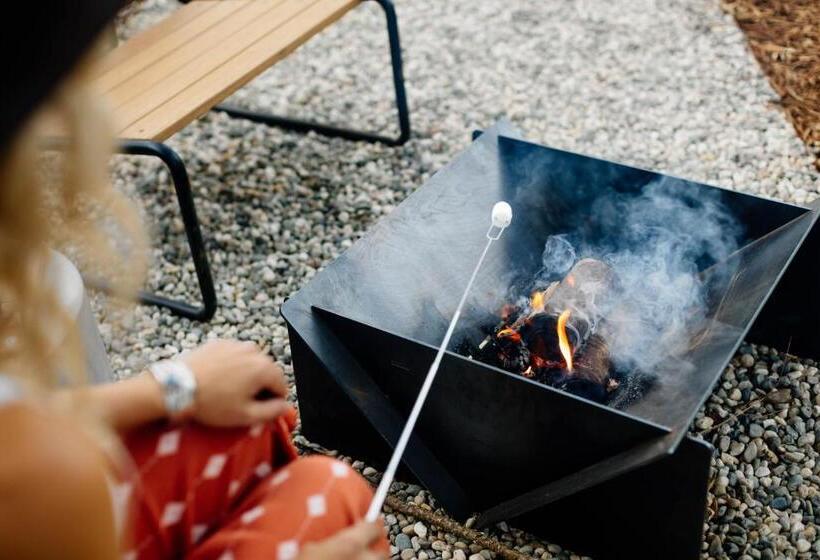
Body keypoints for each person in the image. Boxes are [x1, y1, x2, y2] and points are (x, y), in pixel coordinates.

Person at [0, 3, 387, 559]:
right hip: (56, 511)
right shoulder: (44, 476)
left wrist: (171, 386)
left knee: (249, 422)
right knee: (335, 493)